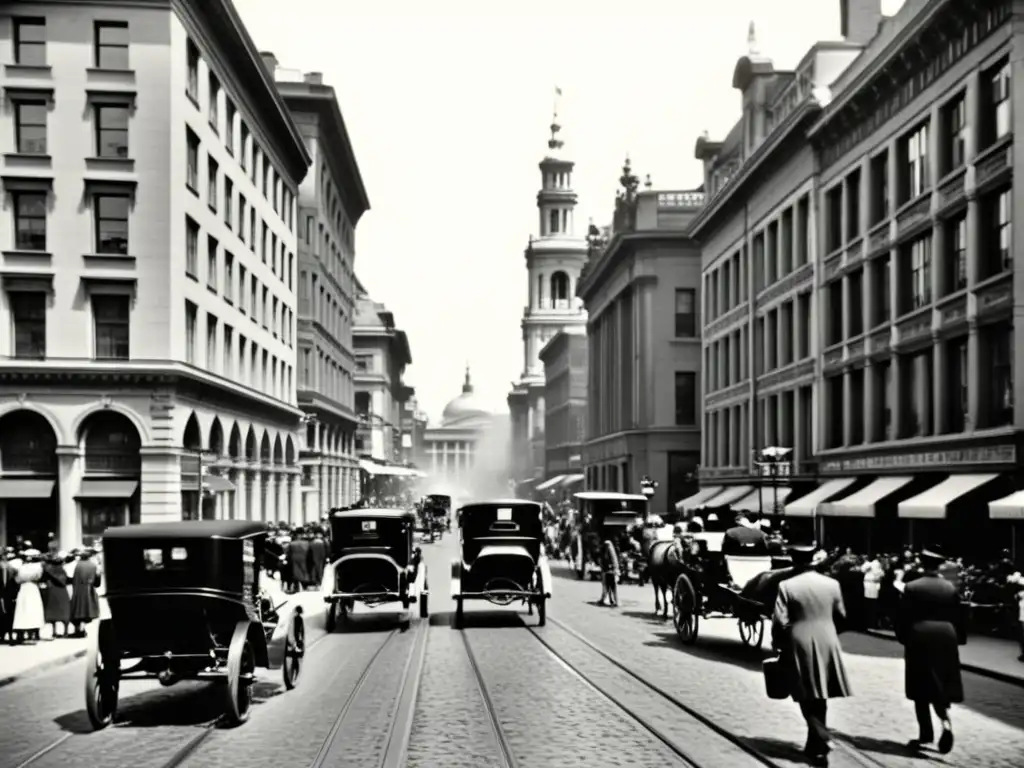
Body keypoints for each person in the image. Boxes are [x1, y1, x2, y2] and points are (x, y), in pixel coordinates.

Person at [771, 544, 851, 767]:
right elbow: (842, 616)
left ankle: (822, 736)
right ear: (813, 559)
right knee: (821, 693)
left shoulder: (786, 585)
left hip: (799, 641)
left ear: (794, 560)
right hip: (827, 640)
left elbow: (780, 621)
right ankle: (814, 746)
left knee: (803, 693)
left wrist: (778, 643)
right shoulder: (832, 584)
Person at [898, 548, 963, 755]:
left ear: (922, 564)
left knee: (920, 686)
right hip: (946, 636)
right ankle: (945, 721)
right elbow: (959, 616)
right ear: (940, 566)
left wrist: (904, 637)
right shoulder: (950, 587)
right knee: (941, 682)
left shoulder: (912, 587)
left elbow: (902, 617)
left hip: (920, 635)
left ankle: (925, 735)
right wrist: (957, 638)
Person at [12, 549, 45, 642]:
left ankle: (21, 633)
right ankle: (35, 632)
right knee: (35, 609)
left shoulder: (21, 568)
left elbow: (17, 579)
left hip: (23, 589)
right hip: (33, 588)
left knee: (22, 609)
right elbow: (38, 577)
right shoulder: (38, 567)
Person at [70, 548, 102, 637]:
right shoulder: (93, 565)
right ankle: (83, 629)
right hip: (89, 590)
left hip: (78, 590)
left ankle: (79, 630)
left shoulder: (78, 565)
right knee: (86, 610)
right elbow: (97, 581)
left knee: (78, 610)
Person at [41, 553, 72, 638]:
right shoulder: (63, 570)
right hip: (62, 591)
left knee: (53, 610)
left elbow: (43, 579)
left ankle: (54, 631)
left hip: (53, 591)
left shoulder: (49, 570)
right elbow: (66, 580)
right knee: (64, 610)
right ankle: (65, 631)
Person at [598, 539, 619, 607]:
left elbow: (614, 562)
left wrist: (615, 571)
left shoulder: (610, 553)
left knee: (612, 587)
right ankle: (607, 599)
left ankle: (615, 601)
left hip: (611, 572)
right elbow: (602, 562)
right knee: (606, 586)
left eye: (607, 545)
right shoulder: (604, 552)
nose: (606, 546)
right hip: (606, 571)